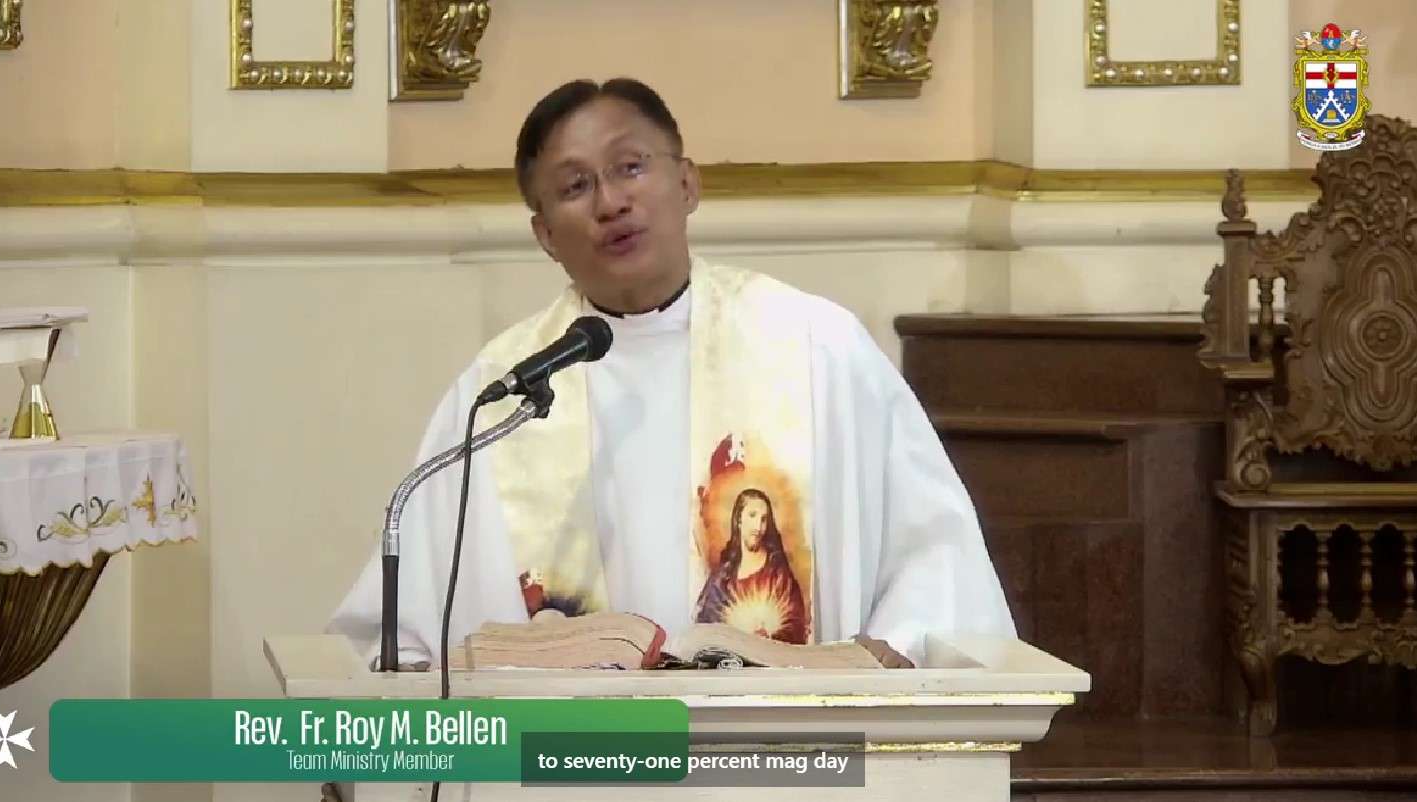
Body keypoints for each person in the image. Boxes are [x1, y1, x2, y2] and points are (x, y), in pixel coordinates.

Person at [329, 77, 1015, 669]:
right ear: (545, 235)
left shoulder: (815, 347)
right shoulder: (506, 390)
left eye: (630, 167)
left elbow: (936, 557)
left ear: (687, 184)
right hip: (574, 757)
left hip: (786, 752)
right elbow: (403, 629)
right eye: (575, 186)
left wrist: (893, 649)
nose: (610, 203)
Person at [694, 488, 809, 645]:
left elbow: (796, 624)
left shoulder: (778, 575)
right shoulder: (722, 578)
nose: (758, 527)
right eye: (752, 515)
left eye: (764, 519)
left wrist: (770, 637)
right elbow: (705, 625)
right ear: (739, 520)